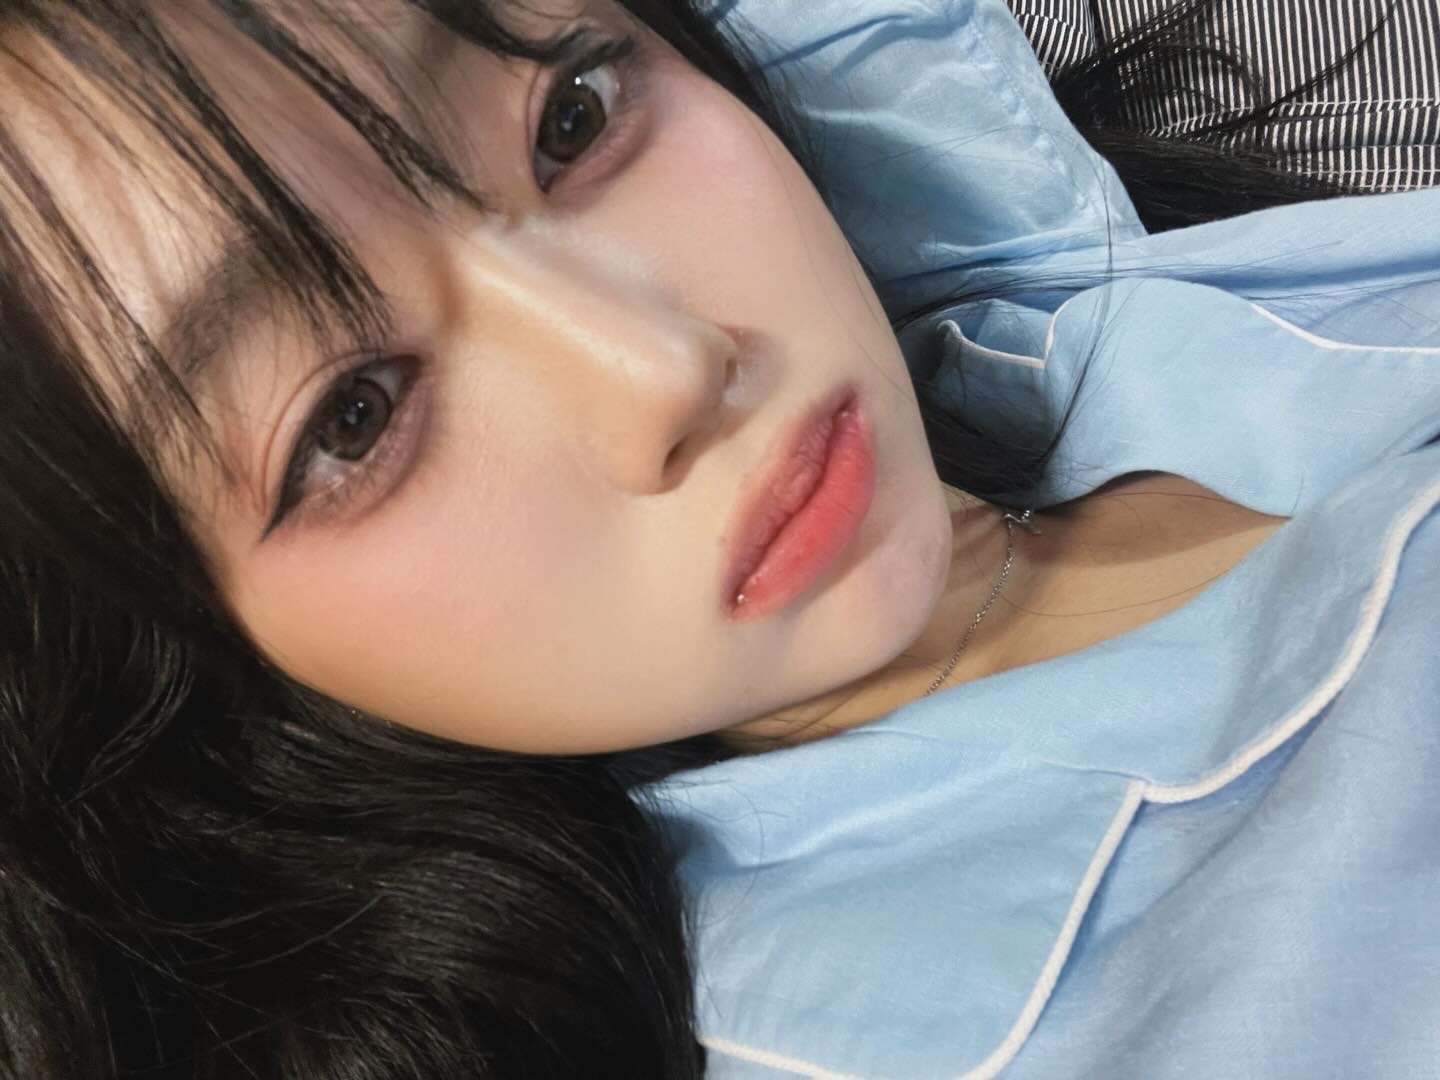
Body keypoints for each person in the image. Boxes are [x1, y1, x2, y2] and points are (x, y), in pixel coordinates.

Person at [0, 2, 1434, 1079]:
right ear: (179, 647)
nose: (666, 368)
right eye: (353, 419)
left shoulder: (1064, 289)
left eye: (572, 118)